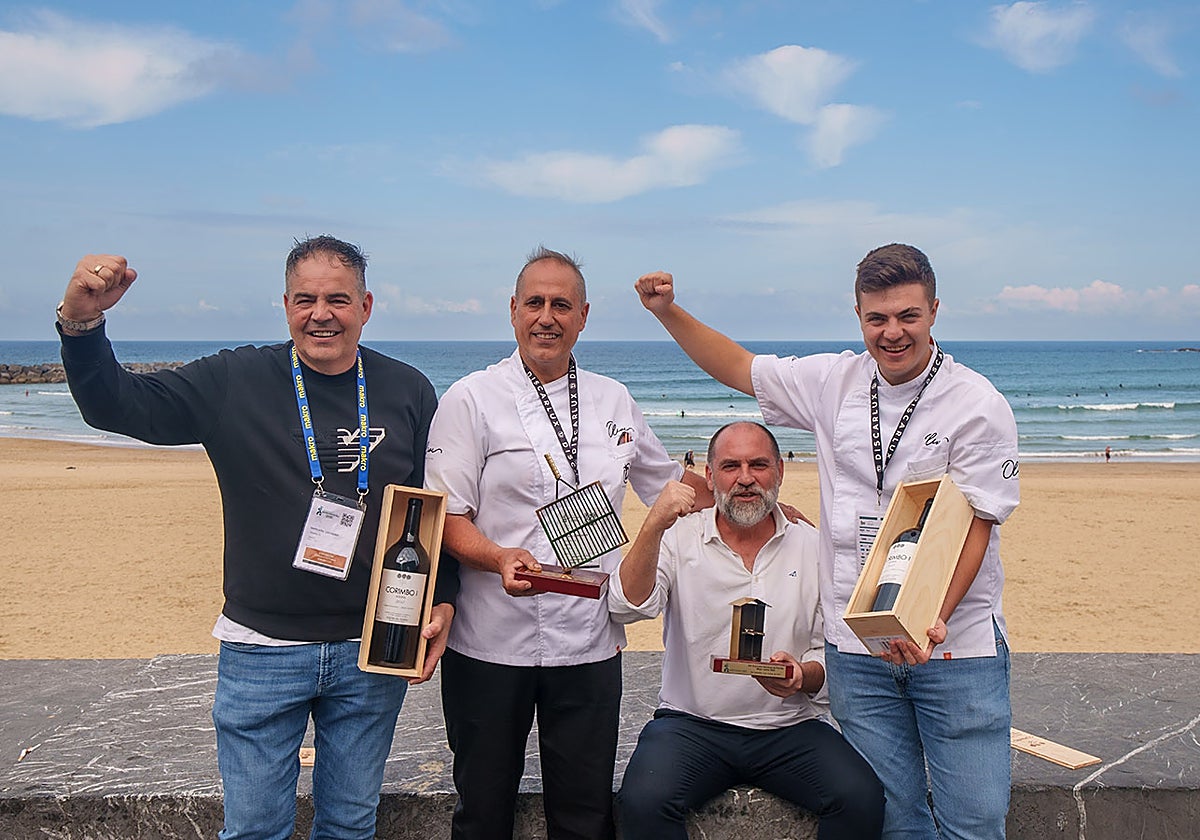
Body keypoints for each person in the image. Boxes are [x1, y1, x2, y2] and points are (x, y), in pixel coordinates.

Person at [56, 236, 454, 840]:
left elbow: (435, 510)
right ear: (286, 305)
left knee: (350, 826)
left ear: (367, 306)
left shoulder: (409, 390)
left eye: (339, 299)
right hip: (261, 648)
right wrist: (83, 325)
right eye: (306, 299)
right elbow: (117, 406)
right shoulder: (233, 380)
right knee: (253, 831)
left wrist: (443, 596)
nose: (322, 313)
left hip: (372, 646)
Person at [634, 244, 1019, 840]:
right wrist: (668, 311)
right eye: (877, 318)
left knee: (973, 822)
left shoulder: (977, 405)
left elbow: (976, 526)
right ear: (859, 316)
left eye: (908, 316)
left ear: (934, 311)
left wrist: (930, 619)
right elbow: (738, 366)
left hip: (951, 648)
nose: (893, 333)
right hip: (855, 652)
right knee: (897, 821)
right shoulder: (833, 381)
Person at [424, 246, 711, 840]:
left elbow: (670, 490)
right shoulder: (470, 399)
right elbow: (446, 519)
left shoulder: (613, 399)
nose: (546, 317)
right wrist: (498, 555)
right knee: (481, 811)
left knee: (584, 815)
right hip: (488, 642)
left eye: (561, 304)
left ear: (584, 316)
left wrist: (752, 502)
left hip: (589, 640)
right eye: (534, 303)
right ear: (512, 311)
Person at [610, 421, 884, 840]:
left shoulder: (812, 545)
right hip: (691, 723)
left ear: (780, 471)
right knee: (642, 804)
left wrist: (801, 676)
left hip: (788, 728)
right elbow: (626, 605)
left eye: (758, 465)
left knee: (861, 798)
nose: (744, 478)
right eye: (730, 466)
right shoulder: (680, 537)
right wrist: (652, 525)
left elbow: (830, 650)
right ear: (709, 475)